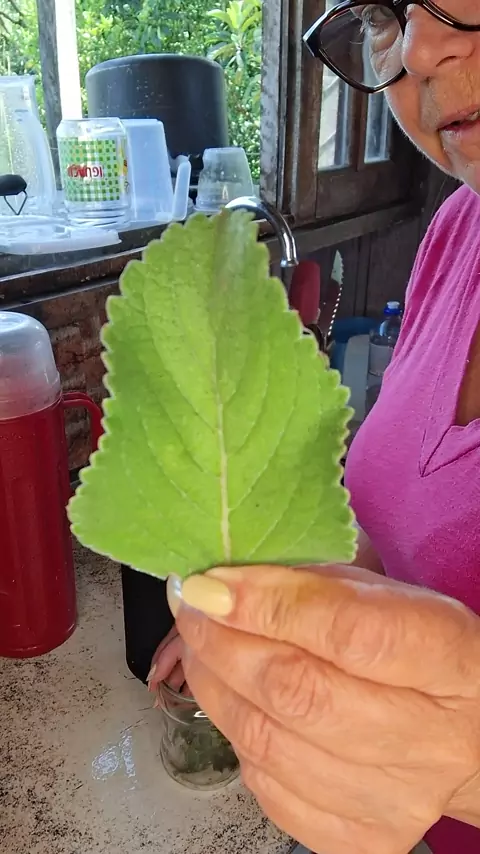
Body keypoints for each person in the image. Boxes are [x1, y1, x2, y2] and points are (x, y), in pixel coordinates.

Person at [148, 2, 480, 852]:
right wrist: (275, 609)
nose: (418, 47)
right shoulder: (457, 230)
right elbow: (399, 538)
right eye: (382, 11)